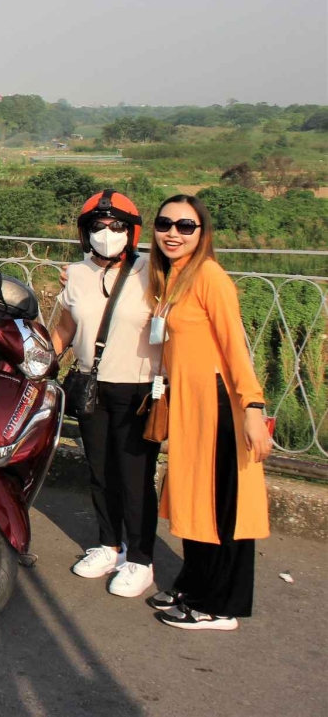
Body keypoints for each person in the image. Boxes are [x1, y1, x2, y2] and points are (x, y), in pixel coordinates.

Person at [147, 195, 271, 632]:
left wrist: (252, 407)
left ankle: (220, 605)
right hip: (190, 406)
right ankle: (193, 584)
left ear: (202, 233)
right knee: (194, 497)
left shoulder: (210, 277)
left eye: (185, 226)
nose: (173, 233)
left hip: (219, 405)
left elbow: (235, 345)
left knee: (221, 505)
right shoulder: (170, 277)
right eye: (165, 223)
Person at [49, 191, 162, 597]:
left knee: (135, 476)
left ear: (131, 232)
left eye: (116, 226)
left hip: (138, 387)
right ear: (85, 232)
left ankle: (141, 559)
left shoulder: (152, 272)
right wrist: (43, 358)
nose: (106, 233)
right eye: (97, 226)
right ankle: (109, 544)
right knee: (98, 469)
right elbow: (65, 327)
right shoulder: (76, 274)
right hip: (91, 384)